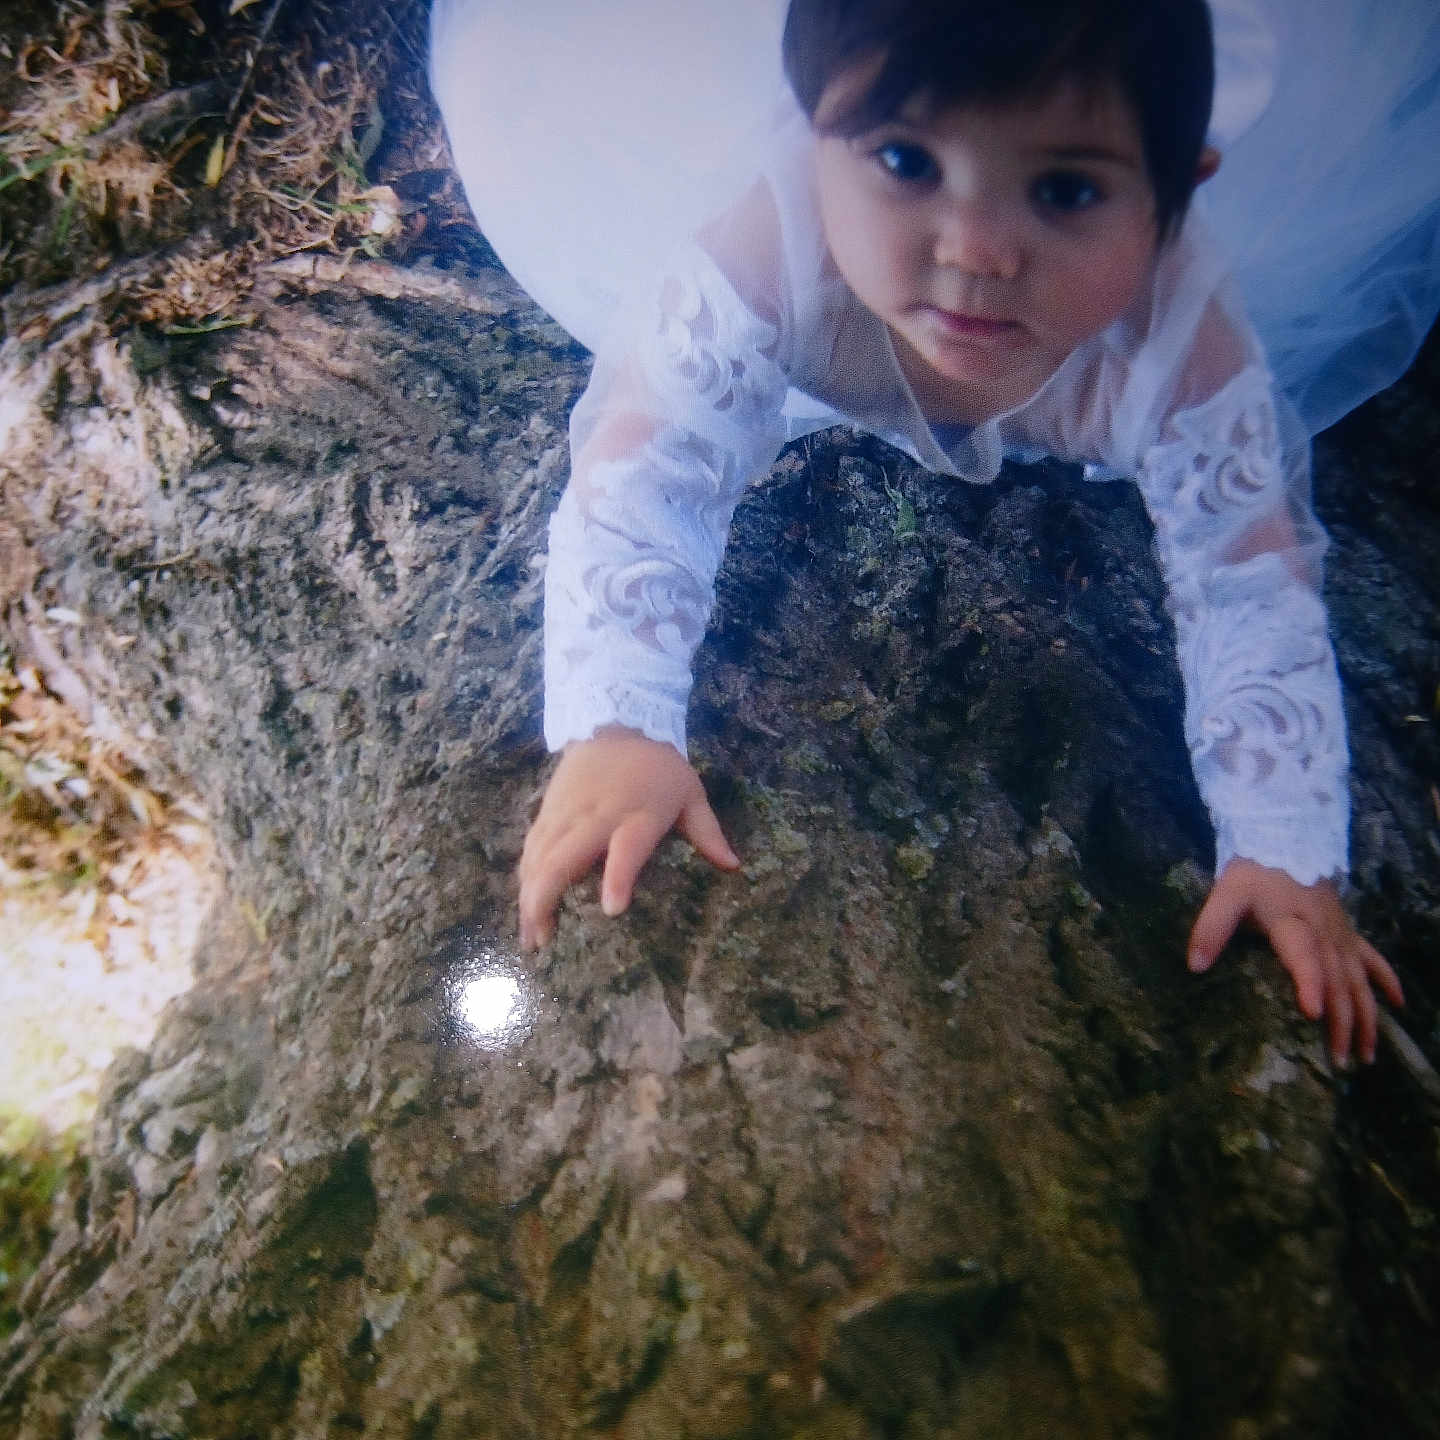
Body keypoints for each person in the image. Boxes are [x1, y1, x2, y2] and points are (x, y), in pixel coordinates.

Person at [430, 0, 1440, 1063]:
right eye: (909, 161)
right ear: (815, 132)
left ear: (1179, 193)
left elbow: (1248, 569)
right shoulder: (775, 241)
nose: (977, 249)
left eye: (1065, 190)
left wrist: (1284, 845)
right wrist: (619, 722)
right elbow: (648, 453)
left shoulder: (1179, 336)